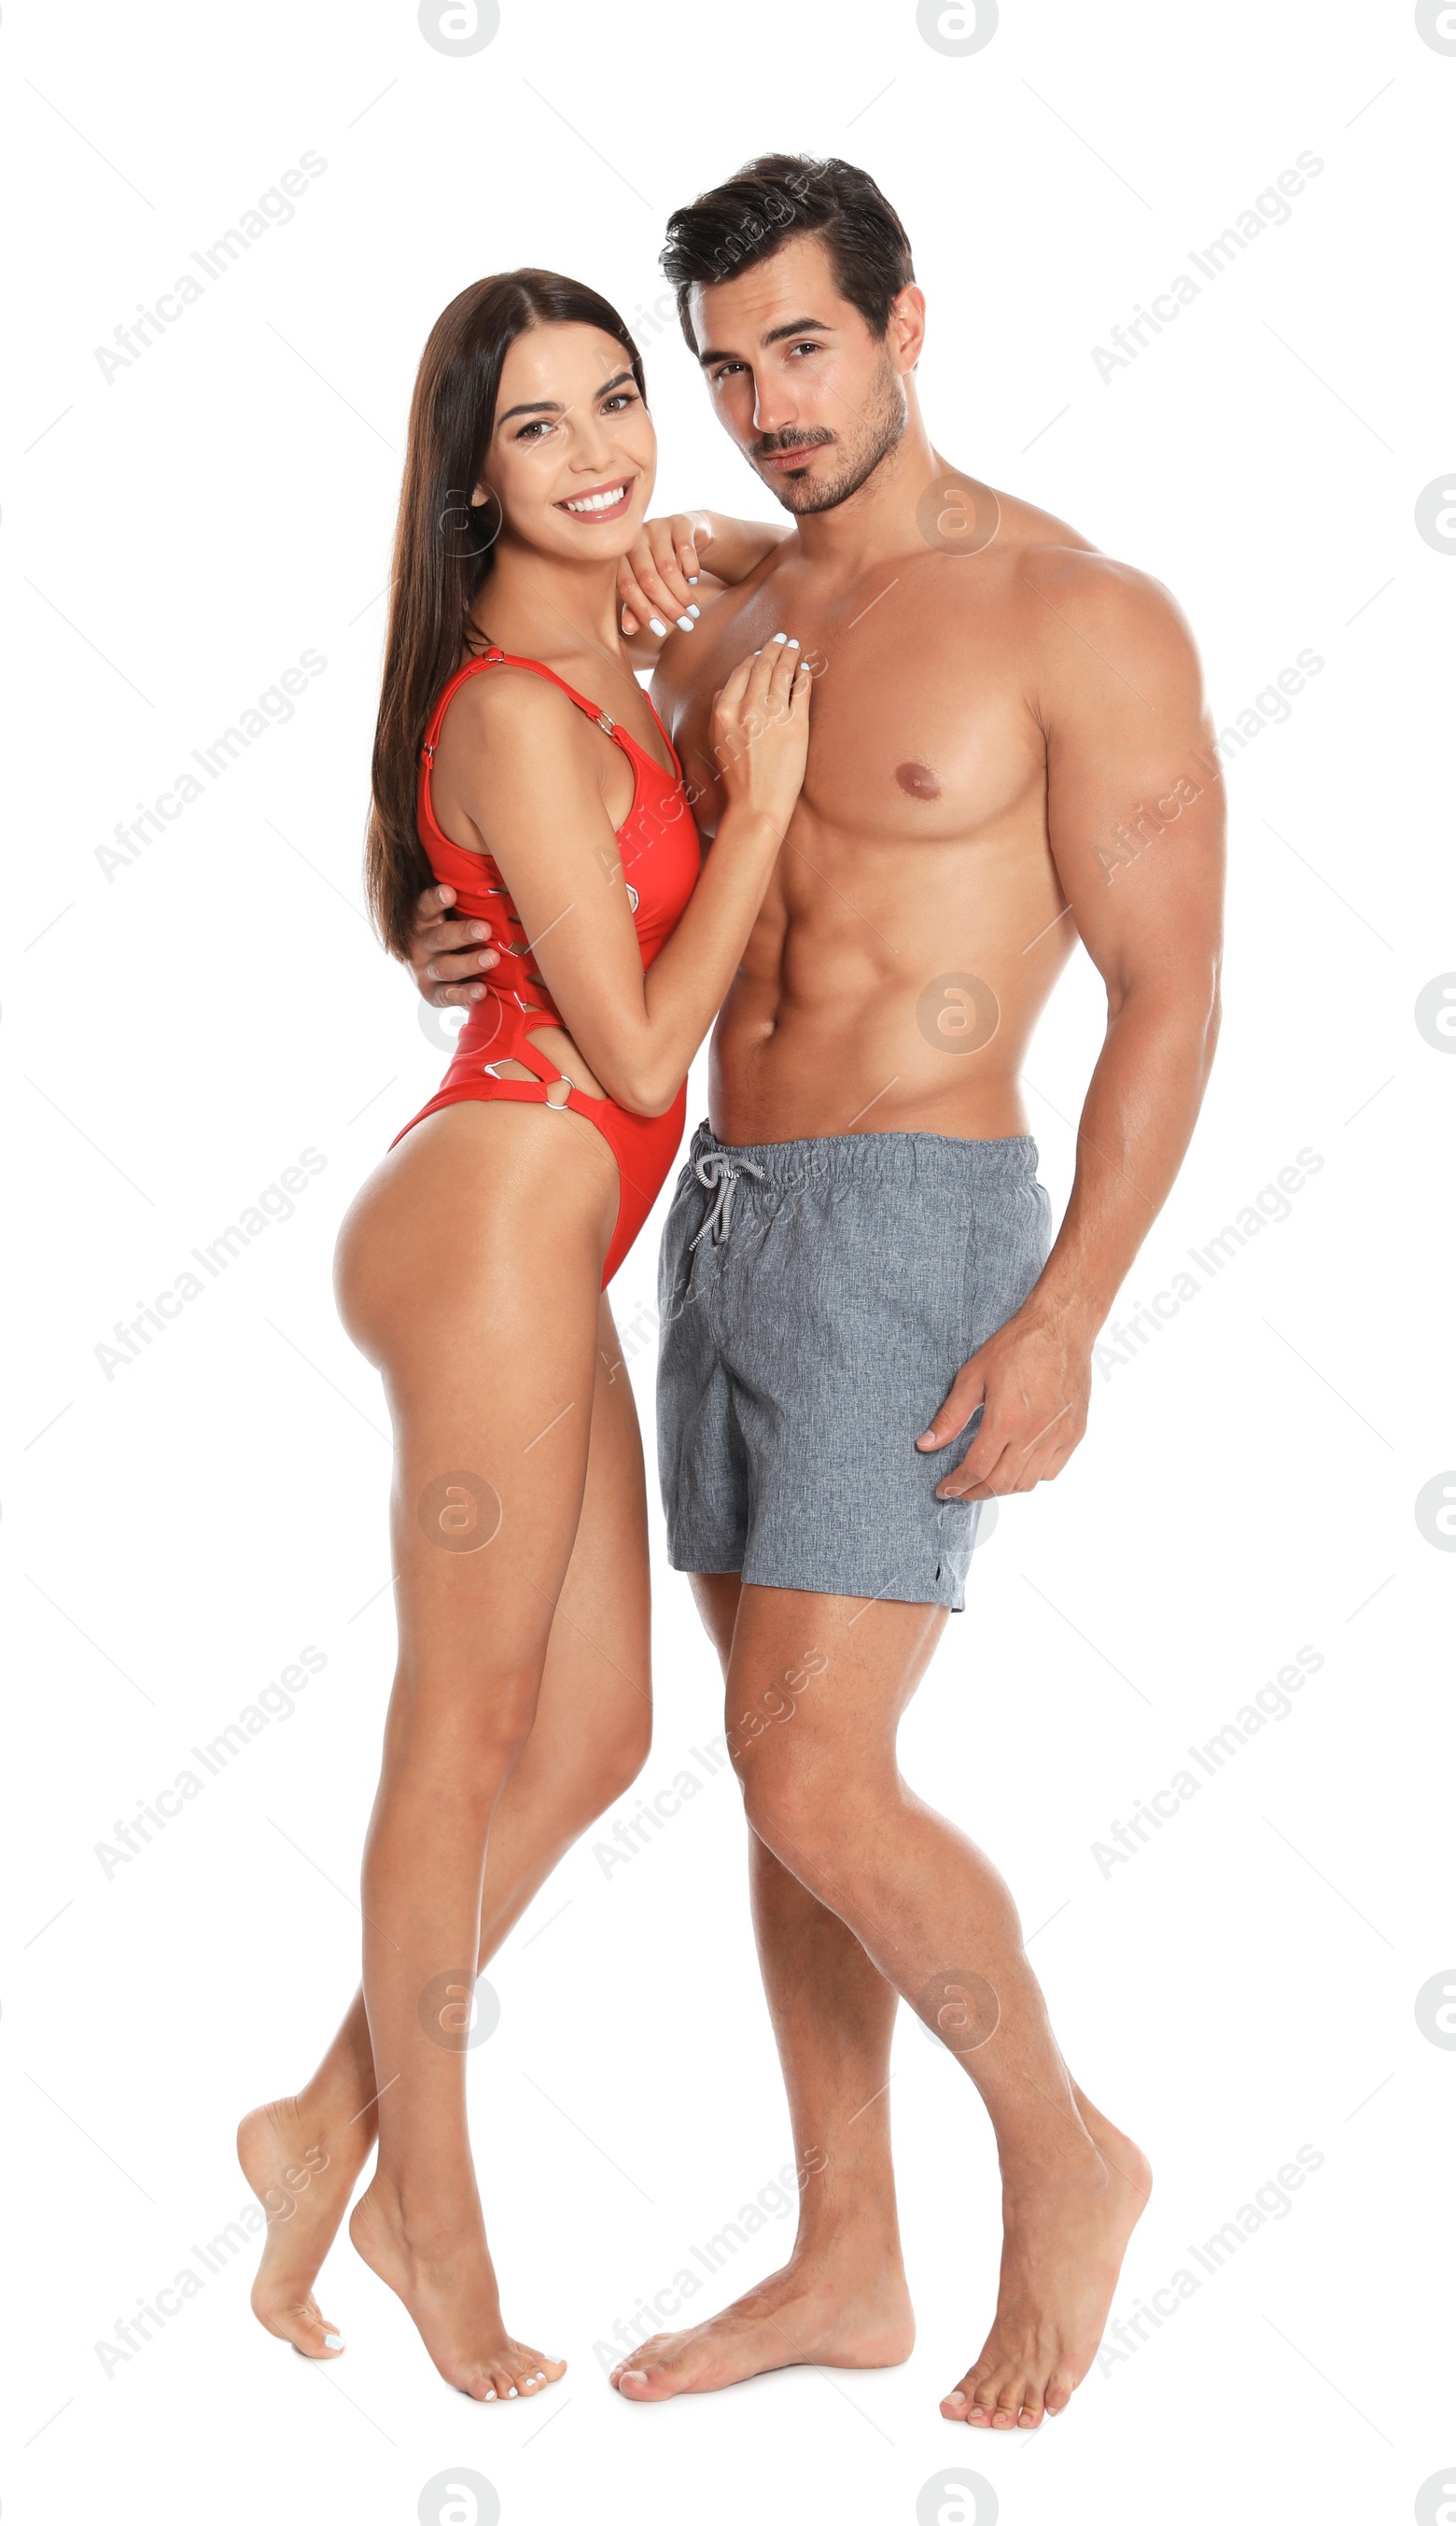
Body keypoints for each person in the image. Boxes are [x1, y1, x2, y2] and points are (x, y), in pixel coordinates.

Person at [408, 159, 1225, 2432]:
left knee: (805, 1758)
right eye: (727, 361)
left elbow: (1169, 997)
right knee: (783, 1782)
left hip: (917, 1216)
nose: (764, 405)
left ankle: (1063, 2161)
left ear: (903, 326)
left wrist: (1065, 1308)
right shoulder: (712, 608)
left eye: (804, 346)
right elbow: (583, 842)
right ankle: (848, 2258)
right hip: (722, 1211)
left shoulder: (1077, 615)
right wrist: (444, 931)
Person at [236, 265, 811, 2404]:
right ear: (471, 487)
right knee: (454, 1740)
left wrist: (696, 720)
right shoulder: (505, 700)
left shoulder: (604, 665)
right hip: (490, 1215)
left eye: (613, 403)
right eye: (539, 431)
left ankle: (323, 2119)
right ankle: (429, 2235)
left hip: (539, 1233)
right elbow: (644, 1036)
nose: (598, 454)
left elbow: (532, 919)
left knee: (588, 1739)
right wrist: (750, 810)